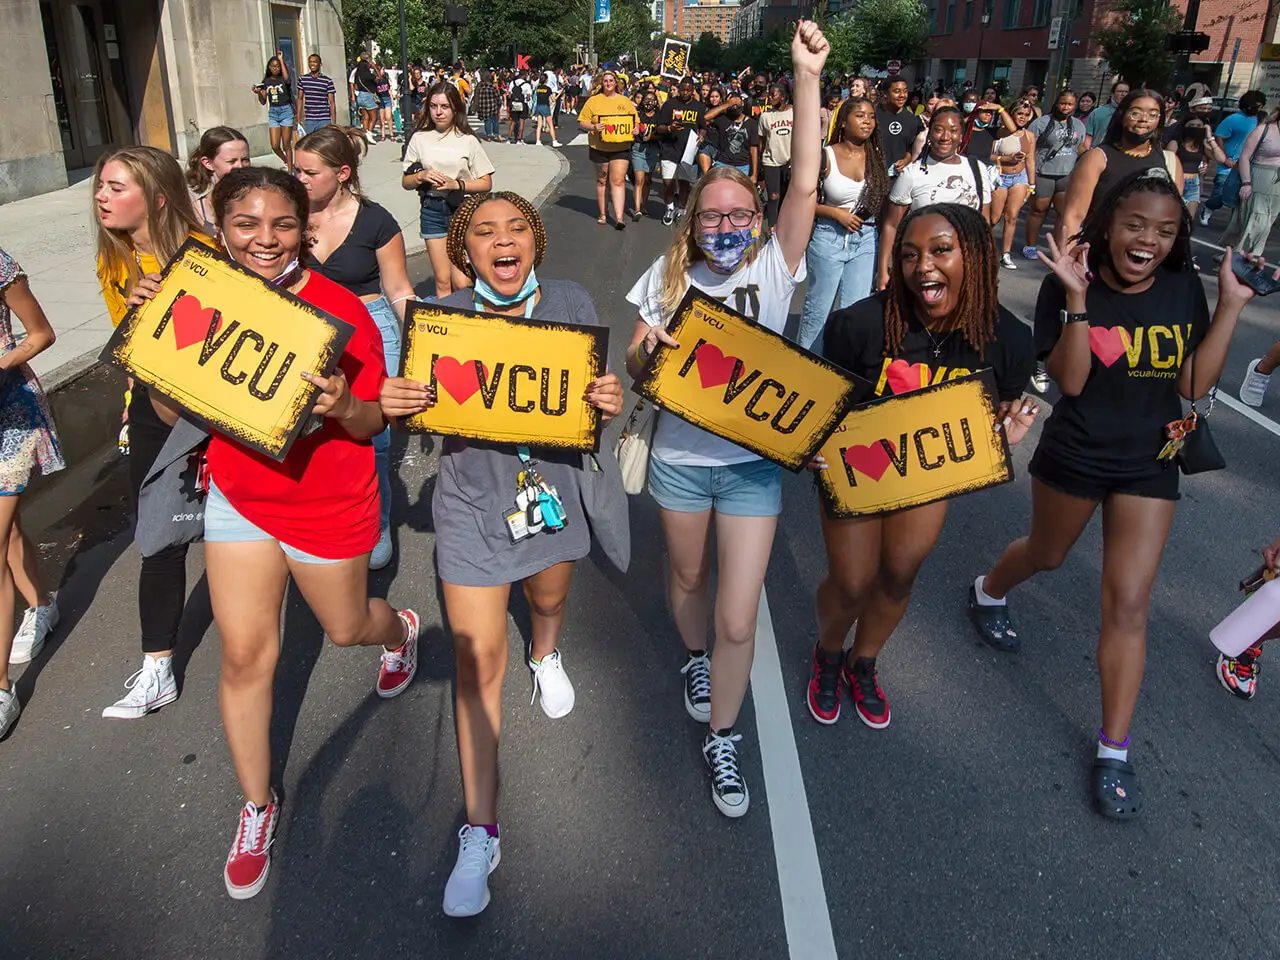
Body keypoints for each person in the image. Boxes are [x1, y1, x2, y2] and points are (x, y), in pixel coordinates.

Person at [124, 166, 419, 898]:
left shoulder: (337, 308)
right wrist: (152, 335)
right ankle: (258, 805)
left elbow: (373, 419)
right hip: (241, 496)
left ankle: (400, 631)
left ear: (306, 229)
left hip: (327, 498)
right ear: (220, 227)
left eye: (283, 224)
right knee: (246, 654)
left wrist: (344, 404)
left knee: (347, 628)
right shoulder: (200, 295)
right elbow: (171, 418)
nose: (266, 238)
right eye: (247, 224)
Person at [969, 168, 1253, 820]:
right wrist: (1075, 299)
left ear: (1178, 238)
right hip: (1077, 451)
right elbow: (1069, 382)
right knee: (1045, 554)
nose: (1147, 240)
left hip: (1150, 461)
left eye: (1164, 230)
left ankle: (1114, 749)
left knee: (1128, 605)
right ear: (1107, 225)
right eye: (1134, 225)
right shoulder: (1069, 280)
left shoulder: (1185, 288)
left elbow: (1190, 383)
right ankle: (988, 589)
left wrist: (1232, 305)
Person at [379, 191, 624, 916]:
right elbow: (414, 407)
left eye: (516, 228)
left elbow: (597, 391)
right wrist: (398, 400)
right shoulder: (441, 320)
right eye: (483, 232)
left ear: (536, 241)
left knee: (547, 602)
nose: (502, 240)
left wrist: (606, 395)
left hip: (550, 493)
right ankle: (480, 832)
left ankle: (545, 652)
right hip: (469, 502)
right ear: (463, 251)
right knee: (476, 661)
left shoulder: (574, 300)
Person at [624, 20, 829, 819]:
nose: (724, 225)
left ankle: (723, 735)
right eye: (710, 216)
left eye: (738, 212)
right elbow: (636, 367)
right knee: (687, 581)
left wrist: (806, 78)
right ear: (691, 222)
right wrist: (653, 354)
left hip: (750, 468)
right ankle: (694, 657)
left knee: (740, 613)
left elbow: (806, 184)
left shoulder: (775, 266)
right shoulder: (665, 275)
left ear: (756, 217)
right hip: (678, 457)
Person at [807, 203, 1036, 729]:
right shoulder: (860, 324)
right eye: (910, 255)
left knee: (899, 573)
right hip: (856, 470)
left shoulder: (1009, 339)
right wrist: (813, 441)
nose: (923, 266)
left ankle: (864, 662)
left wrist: (1002, 435)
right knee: (851, 581)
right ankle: (829, 652)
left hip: (929, 477)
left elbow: (994, 416)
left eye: (940, 251)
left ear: (974, 257)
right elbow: (824, 404)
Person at [93, 146, 209, 719]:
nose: (101, 196)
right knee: (159, 533)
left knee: (237, 532)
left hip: (212, 414)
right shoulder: (114, 261)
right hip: (150, 411)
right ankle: (157, 667)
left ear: (158, 198)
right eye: (101, 186)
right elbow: (130, 348)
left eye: (116, 187)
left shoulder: (209, 253)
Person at [295, 125, 416, 570]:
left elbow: (400, 290)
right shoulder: (290, 215)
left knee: (374, 439)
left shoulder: (377, 220)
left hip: (370, 328)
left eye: (310, 172)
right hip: (306, 330)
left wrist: (427, 348)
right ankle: (316, 516)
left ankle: (376, 523)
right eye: (296, 170)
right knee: (307, 431)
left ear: (342, 173)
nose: (300, 179)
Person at [0, 246, 65, 738]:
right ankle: (41, 604)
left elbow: (41, 334)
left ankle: (2, 689)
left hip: (8, 418)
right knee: (9, 532)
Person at [798, 96, 888, 350]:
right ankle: (806, 363)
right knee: (818, 309)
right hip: (828, 238)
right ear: (844, 122)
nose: (867, 121)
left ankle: (845, 369)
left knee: (856, 311)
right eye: (860, 115)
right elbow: (800, 201)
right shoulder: (824, 156)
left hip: (866, 239)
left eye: (871, 116)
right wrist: (836, 214)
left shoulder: (876, 156)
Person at [877, 106, 995, 288]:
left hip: (969, 265)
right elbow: (891, 225)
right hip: (925, 268)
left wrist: (987, 266)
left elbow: (984, 223)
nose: (945, 136)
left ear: (962, 135)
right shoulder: (913, 173)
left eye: (953, 130)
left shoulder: (977, 169)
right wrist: (883, 270)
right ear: (929, 134)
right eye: (938, 130)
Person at [402, 81, 495, 300]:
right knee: (443, 281)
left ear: (455, 108)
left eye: (444, 106)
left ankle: (469, 322)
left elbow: (486, 182)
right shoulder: (419, 138)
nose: (438, 112)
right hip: (432, 209)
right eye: (433, 106)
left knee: (462, 281)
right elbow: (406, 181)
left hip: (460, 209)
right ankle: (448, 328)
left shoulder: (468, 141)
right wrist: (420, 176)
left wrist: (457, 184)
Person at [1059, 89, 1181, 248]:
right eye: (1135, 113)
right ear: (1122, 115)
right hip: (1098, 256)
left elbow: (1173, 220)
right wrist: (1067, 260)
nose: (1144, 119)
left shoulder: (1170, 162)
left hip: (1147, 258)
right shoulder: (1098, 158)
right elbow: (1074, 216)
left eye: (1153, 115)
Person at [1023, 90, 1085, 262]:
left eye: (1070, 104)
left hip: (1066, 174)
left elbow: (1079, 147)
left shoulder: (1079, 125)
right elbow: (1028, 147)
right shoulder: (1041, 123)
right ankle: (1030, 245)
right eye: (1063, 103)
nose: (1066, 107)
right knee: (1038, 211)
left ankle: (1060, 248)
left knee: (1063, 213)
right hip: (1044, 174)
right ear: (1057, 103)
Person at [578, 70, 639, 229]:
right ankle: (603, 214)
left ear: (616, 82)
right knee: (602, 181)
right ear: (601, 83)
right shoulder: (593, 101)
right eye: (605, 80)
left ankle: (619, 218)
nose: (608, 83)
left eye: (611, 80)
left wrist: (636, 129)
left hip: (621, 147)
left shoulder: (625, 102)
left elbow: (636, 122)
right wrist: (593, 126)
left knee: (618, 181)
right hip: (599, 147)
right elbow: (582, 121)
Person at [1218, 105, 1280, 259]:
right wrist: (1246, 182)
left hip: (1276, 187)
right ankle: (1244, 256)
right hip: (1258, 179)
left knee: (1265, 223)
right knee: (1257, 221)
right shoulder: (1263, 130)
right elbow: (1245, 156)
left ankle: (1236, 255)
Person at [1200, 90, 1265, 227]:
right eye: (1256, 104)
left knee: (1241, 198)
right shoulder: (1233, 119)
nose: (1258, 108)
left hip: (1246, 167)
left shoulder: (1260, 122)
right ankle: (1208, 207)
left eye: (1260, 105)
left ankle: (1233, 225)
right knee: (1220, 195)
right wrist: (1226, 158)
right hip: (1227, 167)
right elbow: (1220, 137)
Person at [991, 99, 1038, 269]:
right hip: (1001, 176)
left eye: (1026, 115)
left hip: (1020, 178)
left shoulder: (1029, 136)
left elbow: (1031, 161)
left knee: (1011, 216)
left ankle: (1005, 254)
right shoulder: (1001, 133)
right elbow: (989, 156)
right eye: (1019, 114)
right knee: (994, 217)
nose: (1023, 117)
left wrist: (1032, 185)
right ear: (1012, 114)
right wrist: (1006, 159)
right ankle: (985, 248)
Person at [656, 77, 707, 225]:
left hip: (688, 152)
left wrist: (701, 136)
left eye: (688, 90)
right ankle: (670, 208)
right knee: (668, 183)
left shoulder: (698, 107)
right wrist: (669, 128)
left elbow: (703, 127)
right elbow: (659, 127)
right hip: (669, 149)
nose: (685, 93)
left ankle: (681, 209)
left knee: (684, 184)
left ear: (692, 90)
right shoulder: (669, 105)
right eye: (683, 89)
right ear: (678, 89)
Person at [185, 126, 251, 233]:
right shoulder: (198, 213)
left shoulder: (262, 199)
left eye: (245, 160)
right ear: (208, 163)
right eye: (231, 161)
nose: (240, 166)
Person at [1165, 117, 1221, 226]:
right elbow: (1168, 162)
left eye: (1199, 126)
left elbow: (1219, 158)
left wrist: (1209, 138)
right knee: (1171, 219)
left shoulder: (1202, 146)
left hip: (1193, 185)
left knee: (1188, 222)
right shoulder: (1175, 143)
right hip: (1176, 182)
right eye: (1191, 126)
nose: (1195, 129)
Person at [757, 83, 796, 227]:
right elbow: (761, 141)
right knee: (773, 196)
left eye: (774, 94)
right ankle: (772, 228)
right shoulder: (765, 116)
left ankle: (785, 226)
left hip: (790, 161)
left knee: (786, 196)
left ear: (783, 97)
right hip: (771, 161)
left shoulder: (794, 112)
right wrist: (759, 165)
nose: (770, 97)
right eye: (770, 94)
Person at [254, 52, 294, 170]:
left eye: (277, 66)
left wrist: (281, 59)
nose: (275, 68)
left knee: (286, 144)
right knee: (275, 145)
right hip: (273, 113)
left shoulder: (283, 79)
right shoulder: (266, 81)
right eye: (273, 66)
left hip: (286, 111)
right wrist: (259, 94)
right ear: (269, 67)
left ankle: (291, 172)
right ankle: (287, 162)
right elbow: (263, 101)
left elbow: (287, 79)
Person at [876, 77, 924, 176]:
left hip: (900, 177)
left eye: (905, 91)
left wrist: (907, 159)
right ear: (885, 94)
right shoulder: (873, 115)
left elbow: (913, 147)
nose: (902, 95)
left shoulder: (913, 120)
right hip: (874, 175)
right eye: (897, 91)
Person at [631, 88, 663, 220]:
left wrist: (652, 137)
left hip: (653, 149)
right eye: (646, 100)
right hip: (638, 148)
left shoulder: (659, 116)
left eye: (652, 100)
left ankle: (644, 206)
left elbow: (662, 134)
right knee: (639, 179)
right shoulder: (638, 114)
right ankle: (637, 209)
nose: (649, 102)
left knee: (648, 180)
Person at [1082, 80, 1130, 151]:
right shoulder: (1097, 112)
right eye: (1120, 91)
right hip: (1098, 153)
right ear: (1112, 93)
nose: (1123, 94)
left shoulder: (1131, 114)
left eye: (1126, 92)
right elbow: (1088, 136)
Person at [296, 54, 337, 136]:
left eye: (314, 62)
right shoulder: (303, 79)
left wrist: (334, 121)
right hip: (310, 119)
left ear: (320, 64)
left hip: (324, 118)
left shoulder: (327, 81)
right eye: (310, 62)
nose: (312, 64)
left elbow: (332, 102)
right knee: (310, 144)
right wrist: (298, 118)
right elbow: (300, 99)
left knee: (325, 143)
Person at [350, 53, 380, 139]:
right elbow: (379, 78)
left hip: (360, 95)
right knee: (374, 117)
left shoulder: (357, 71)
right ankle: (369, 133)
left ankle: (366, 132)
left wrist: (353, 95)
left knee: (365, 117)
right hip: (368, 96)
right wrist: (374, 67)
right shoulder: (368, 73)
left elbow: (353, 83)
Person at [473, 69, 503, 142]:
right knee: (495, 121)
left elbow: (476, 97)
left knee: (487, 121)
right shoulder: (492, 86)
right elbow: (497, 96)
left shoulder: (479, 86)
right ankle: (496, 135)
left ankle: (488, 136)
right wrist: (499, 103)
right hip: (493, 106)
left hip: (483, 106)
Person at [532, 71, 561, 147]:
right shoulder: (548, 89)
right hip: (545, 106)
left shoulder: (537, 88)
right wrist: (560, 94)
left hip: (538, 106)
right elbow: (553, 99)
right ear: (546, 80)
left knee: (539, 125)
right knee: (550, 124)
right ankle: (554, 141)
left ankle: (538, 141)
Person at [507, 70, 532, 145]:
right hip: (522, 104)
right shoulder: (527, 85)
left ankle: (509, 138)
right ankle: (519, 139)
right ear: (524, 75)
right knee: (521, 122)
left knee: (513, 122)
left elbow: (509, 95)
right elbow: (528, 97)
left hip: (514, 103)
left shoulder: (512, 83)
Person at [374, 63, 394, 143]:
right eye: (382, 69)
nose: (383, 71)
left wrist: (392, 98)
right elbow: (374, 91)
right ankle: (383, 135)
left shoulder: (385, 78)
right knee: (382, 119)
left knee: (388, 117)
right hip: (380, 100)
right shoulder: (375, 81)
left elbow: (389, 89)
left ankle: (391, 134)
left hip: (387, 98)